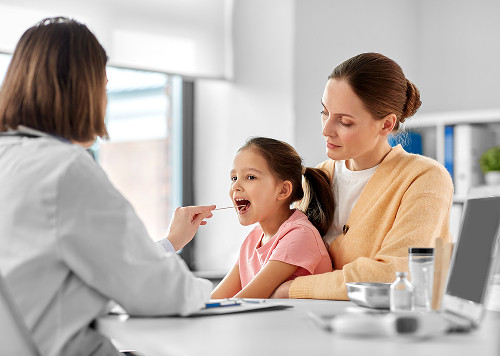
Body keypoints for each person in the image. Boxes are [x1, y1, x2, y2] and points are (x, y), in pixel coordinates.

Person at [0, 17, 215, 356]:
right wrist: (212, 293)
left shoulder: (12, 158)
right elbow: (162, 295)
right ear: (82, 90)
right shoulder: (65, 169)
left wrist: (170, 245)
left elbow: (79, 262)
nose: (105, 99)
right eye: (103, 86)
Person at [271, 52, 454, 300]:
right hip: (306, 323)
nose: (326, 130)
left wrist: (293, 289)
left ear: (386, 125)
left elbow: (393, 275)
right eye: (324, 112)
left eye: (344, 122)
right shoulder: (318, 176)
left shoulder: (424, 178)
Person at [211, 137, 334, 299]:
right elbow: (216, 299)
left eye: (250, 177)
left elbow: (246, 300)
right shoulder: (253, 238)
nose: (235, 186)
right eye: (234, 178)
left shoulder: (300, 235)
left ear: (283, 190)